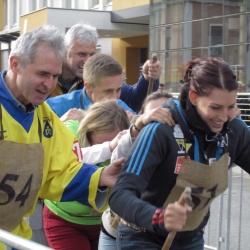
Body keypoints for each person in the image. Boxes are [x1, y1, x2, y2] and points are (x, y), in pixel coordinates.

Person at [0, 24, 124, 249]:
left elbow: (61, 171)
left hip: (15, 237)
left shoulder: (46, 118)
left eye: (55, 76)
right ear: (15, 64)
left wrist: (100, 176)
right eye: (42, 74)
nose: (49, 84)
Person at [109, 57, 250, 250]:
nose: (224, 117)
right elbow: (119, 194)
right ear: (193, 97)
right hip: (143, 237)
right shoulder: (162, 130)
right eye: (215, 107)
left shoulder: (233, 128)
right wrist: (158, 217)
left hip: (190, 237)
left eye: (231, 106)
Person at [43, 100, 130, 250]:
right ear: (87, 131)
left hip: (103, 223)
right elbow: (69, 159)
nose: (109, 155)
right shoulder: (71, 129)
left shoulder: (128, 141)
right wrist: (109, 148)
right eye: (99, 143)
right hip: (64, 220)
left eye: (116, 142)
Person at [99, 91, 175, 250]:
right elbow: (118, 159)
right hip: (116, 230)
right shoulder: (131, 137)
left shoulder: (183, 144)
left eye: (164, 114)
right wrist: (137, 127)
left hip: (162, 235)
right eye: (152, 116)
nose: (158, 120)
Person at [48, 22, 162, 112]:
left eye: (92, 54)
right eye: (81, 54)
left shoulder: (99, 75)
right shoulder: (46, 76)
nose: (88, 60)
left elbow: (133, 100)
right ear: (65, 51)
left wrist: (147, 78)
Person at [46, 53, 136, 118]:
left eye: (118, 90)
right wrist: (60, 125)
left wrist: (135, 128)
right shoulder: (54, 108)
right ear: (88, 87)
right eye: (108, 91)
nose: (114, 98)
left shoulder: (122, 108)